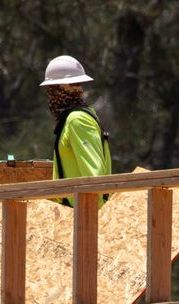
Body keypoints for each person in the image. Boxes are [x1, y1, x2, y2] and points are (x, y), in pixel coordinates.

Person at [41, 55, 112, 206]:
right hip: (73, 211)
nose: (78, 89)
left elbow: (94, 175)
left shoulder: (77, 120)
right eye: (74, 83)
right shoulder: (71, 119)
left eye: (78, 83)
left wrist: (89, 219)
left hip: (82, 213)